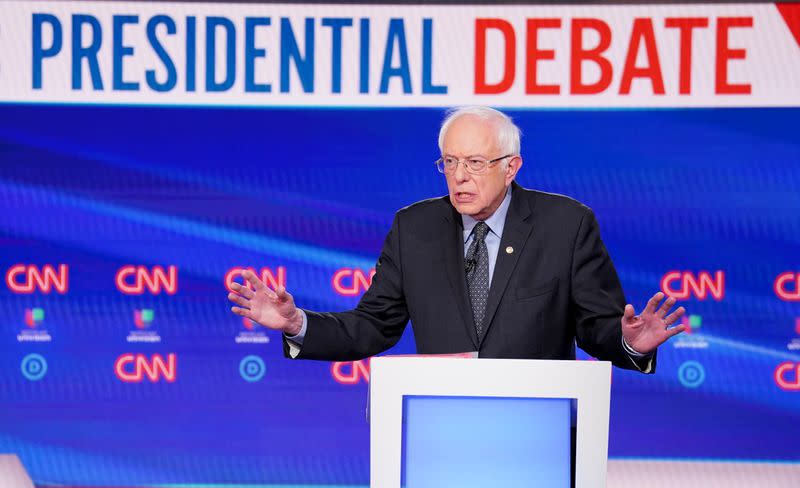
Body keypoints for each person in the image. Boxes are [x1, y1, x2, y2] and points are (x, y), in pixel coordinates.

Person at [227, 106, 686, 372]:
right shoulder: (415, 229)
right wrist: (295, 324)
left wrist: (630, 343)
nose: (459, 177)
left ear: (512, 167)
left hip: (538, 423)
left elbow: (596, 328)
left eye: (475, 163)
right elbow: (372, 327)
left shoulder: (566, 225)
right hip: (443, 423)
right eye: (449, 162)